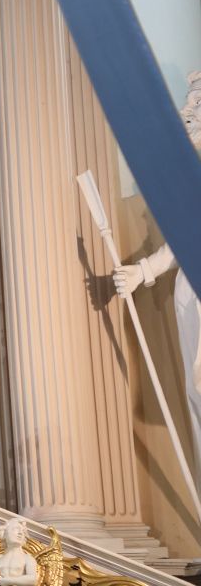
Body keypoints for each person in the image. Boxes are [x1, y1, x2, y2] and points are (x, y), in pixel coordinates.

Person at [112, 71, 201, 494]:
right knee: (197, 389)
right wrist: (144, 270)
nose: (187, 115)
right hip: (192, 286)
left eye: (195, 109)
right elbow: (187, 235)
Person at [0, 518, 38, 585]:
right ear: (5, 534)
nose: (20, 533)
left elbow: (33, 579)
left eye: (23, 531)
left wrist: (9, 581)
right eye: (16, 529)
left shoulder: (28, 559)